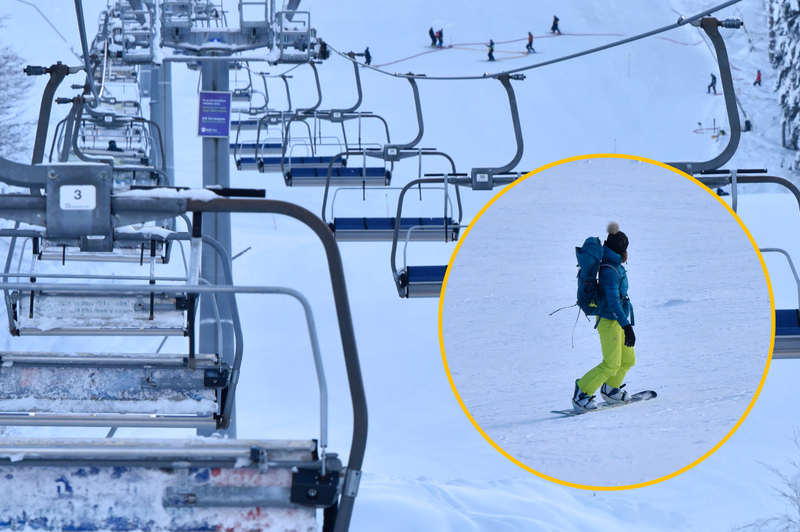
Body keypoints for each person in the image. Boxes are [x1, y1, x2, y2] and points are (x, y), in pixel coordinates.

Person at [572, 222, 635, 411]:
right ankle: (582, 393)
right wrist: (627, 326)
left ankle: (611, 390)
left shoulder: (614, 264)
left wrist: (625, 324)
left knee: (627, 360)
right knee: (611, 364)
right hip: (610, 322)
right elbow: (613, 302)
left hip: (620, 319)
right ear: (621, 250)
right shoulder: (609, 270)